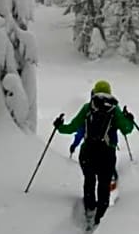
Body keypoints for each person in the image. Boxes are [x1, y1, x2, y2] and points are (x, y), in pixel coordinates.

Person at [54, 80, 134, 226]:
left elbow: (72, 127)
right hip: (107, 155)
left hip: (88, 152)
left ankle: (89, 209)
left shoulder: (88, 107)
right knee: (104, 185)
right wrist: (130, 120)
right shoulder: (114, 110)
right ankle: (101, 216)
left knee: (89, 181)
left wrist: (59, 127)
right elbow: (127, 129)